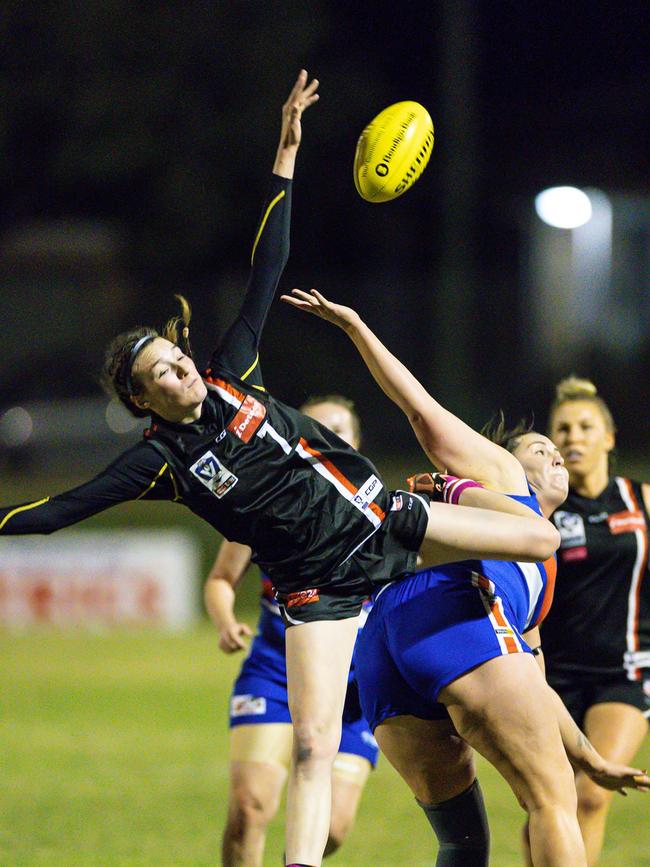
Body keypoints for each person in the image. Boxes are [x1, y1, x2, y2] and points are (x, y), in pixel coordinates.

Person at [0, 72, 560, 867]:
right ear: (142, 398)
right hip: (315, 589)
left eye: (175, 356)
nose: (178, 369)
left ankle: (529, 674)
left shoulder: (234, 372)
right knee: (311, 742)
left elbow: (269, 264)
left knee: (537, 541)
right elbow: (60, 508)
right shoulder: (161, 462)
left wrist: (288, 150)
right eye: (158, 372)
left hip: (385, 521)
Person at [281, 287, 650, 867]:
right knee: (551, 801)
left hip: (388, 645)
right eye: (539, 447)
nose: (554, 454)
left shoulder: (535, 571)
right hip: (451, 616)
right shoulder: (502, 479)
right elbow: (422, 413)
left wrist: (589, 757)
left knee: (463, 841)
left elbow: (534, 683)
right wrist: (357, 329)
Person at [204, 395, 378, 866]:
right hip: (275, 674)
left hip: (352, 692)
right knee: (249, 806)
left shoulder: (379, 512)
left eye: (340, 428)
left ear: (356, 442)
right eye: (317, 427)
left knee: (333, 827)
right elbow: (221, 579)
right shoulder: (261, 506)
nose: (330, 436)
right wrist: (224, 620)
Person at [539, 376, 649, 865]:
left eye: (586, 426)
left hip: (624, 672)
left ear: (608, 437)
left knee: (591, 794)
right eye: (562, 428)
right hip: (551, 679)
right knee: (547, 808)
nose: (573, 436)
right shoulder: (536, 513)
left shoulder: (641, 501)